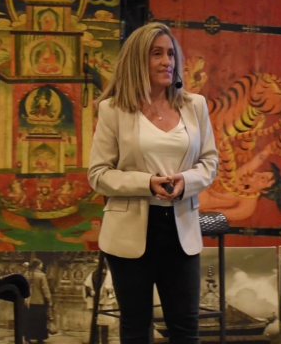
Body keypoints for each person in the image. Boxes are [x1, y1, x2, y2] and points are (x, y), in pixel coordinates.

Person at [87, 22, 218, 344]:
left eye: (170, 54)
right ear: (137, 60)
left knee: (186, 327)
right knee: (135, 327)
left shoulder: (195, 105)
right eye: (156, 54)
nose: (166, 61)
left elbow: (209, 162)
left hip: (181, 230)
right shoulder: (113, 110)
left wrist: (185, 180)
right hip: (130, 233)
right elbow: (99, 174)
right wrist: (147, 183)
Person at [85, 262, 117, 344]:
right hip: (95, 302)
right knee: (96, 323)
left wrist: (110, 291)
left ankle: (103, 341)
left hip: (105, 303)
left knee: (104, 324)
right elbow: (87, 285)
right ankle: (96, 341)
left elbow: (113, 287)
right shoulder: (93, 274)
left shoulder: (108, 275)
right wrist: (90, 291)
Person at [25, 259, 53, 344]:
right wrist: (49, 300)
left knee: (29, 320)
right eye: (41, 264)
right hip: (39, 301)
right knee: (40, 321)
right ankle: (40, 338)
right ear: (37, 265)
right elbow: (45, 289)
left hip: (28, 301)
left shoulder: (27, 274)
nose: (42, 266)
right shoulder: (41, 275)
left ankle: (28, 337)